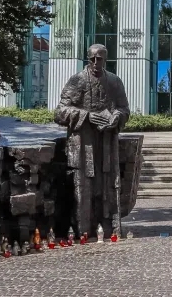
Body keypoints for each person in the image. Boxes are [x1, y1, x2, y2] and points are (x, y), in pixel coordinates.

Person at [55, 44, 130, 240]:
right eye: (93, 59)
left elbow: (124, 109)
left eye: (101, 59)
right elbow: (60, 112)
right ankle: (82, 229)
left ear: (106, 59)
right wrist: (85, 116)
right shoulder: (77, 80)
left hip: (106, 142)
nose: (96, 63)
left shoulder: (114, 81)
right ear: (88, 59)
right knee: (84, 185)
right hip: (83, 143)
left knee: (106, 185)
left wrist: (117, 117)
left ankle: (108, 227)